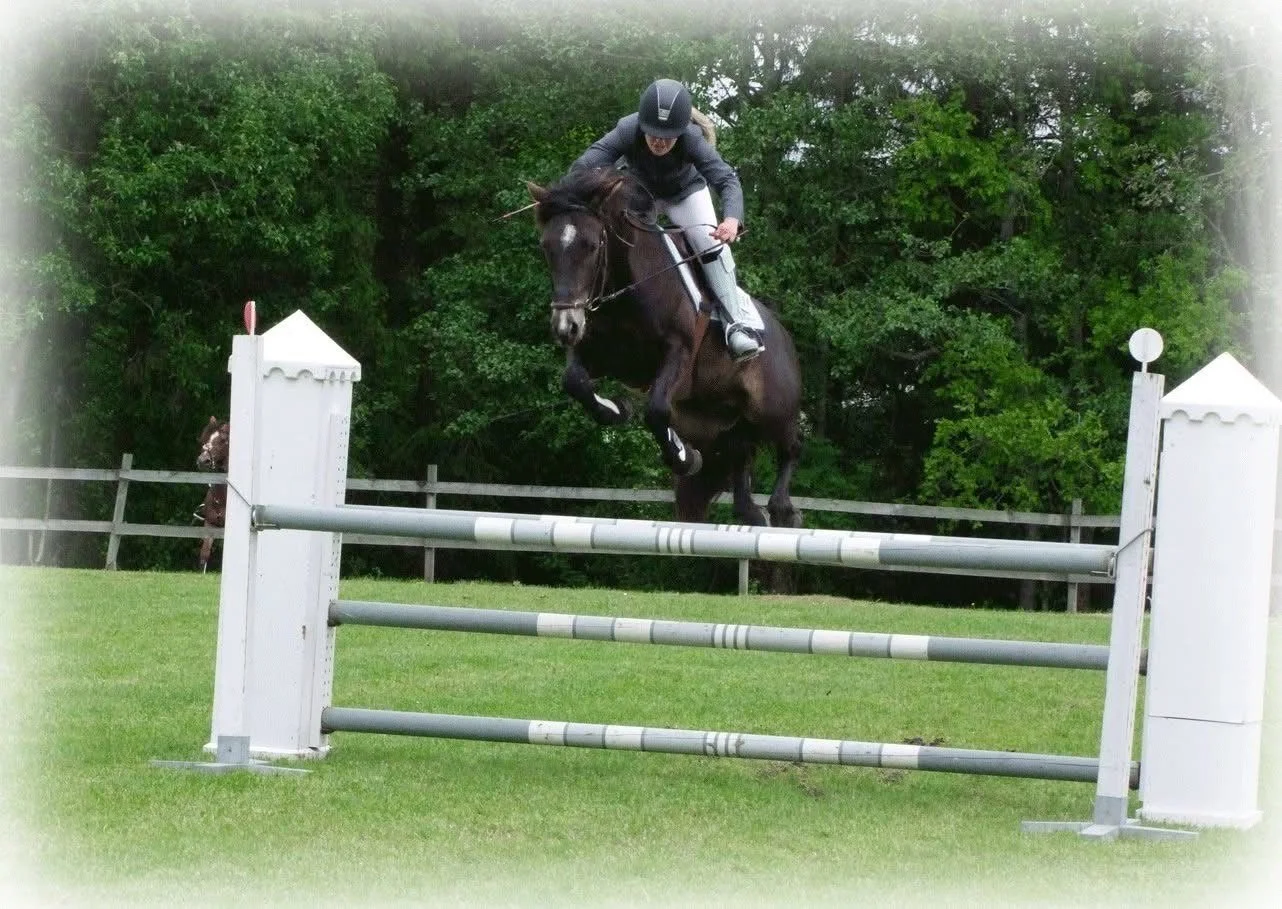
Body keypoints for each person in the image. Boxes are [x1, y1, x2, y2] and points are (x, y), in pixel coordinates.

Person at [568, 78, 765, 362]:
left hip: (685, 195)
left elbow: (726, 179)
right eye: (653, 134)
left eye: (667, 136)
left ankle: (736, 324)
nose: (659, 141)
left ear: (680, 131)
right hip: (642, 193)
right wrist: (563, 196)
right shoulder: (627, 128)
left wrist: (732, 219)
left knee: (709, 245)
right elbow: (584, 165)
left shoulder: (692, 138)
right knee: (616, 236)